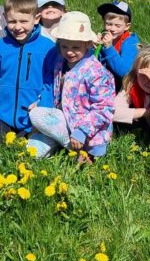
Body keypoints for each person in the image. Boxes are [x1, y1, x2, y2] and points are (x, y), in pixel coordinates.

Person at [28, 12, 115, 162]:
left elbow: (104, 108)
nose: (69, 51)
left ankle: (79, 150)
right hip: (66, 121)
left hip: (88, 132)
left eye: (75, 47)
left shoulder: (96, 72)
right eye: (64, 46)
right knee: (31, 150)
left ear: (88, 44)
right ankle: (65, 142)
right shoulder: (60, 62)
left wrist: (82, 132)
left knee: (37, 115)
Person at [0, 0, 54, 147]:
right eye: (12, 21)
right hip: (2, 117)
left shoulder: (48, 48)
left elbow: (50, 84)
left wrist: (43, 107)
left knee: (30, 155)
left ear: (36, 19)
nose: (17, 27)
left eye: (23, 21)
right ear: (4, 19)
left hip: (33, 119)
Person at [97, 0, 140, 91]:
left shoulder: (130, 42)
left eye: (117, 25)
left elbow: (124, 71)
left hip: (124, 88)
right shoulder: (105, 36)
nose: (112, 28)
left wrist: (108, 48)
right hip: (106, 84)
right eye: (108, 24)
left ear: (127, 26)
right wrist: (95, 48)